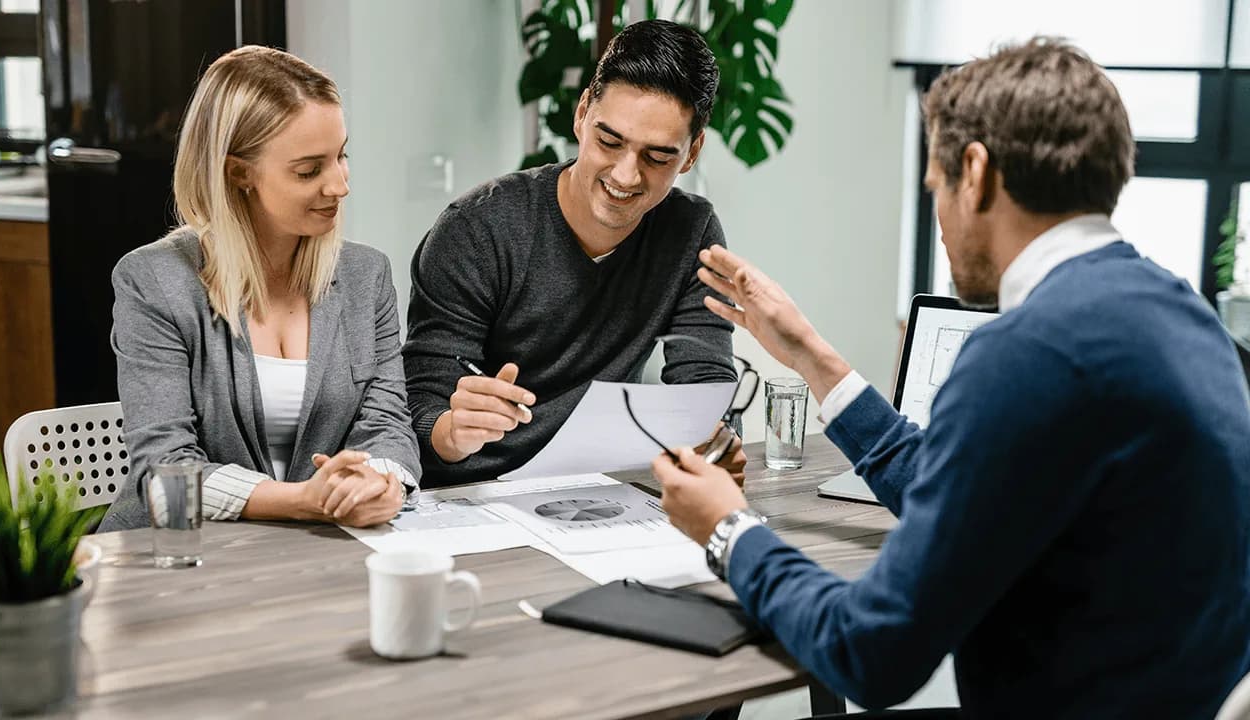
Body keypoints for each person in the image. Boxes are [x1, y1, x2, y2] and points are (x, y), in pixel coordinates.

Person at [653, 38, 1250, 717]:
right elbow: (966, 490)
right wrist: (812, 356)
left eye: (935, 187)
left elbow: (870, 653)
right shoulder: (1185, 316)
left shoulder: (1028, 351)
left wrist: (729, 530)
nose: (938, 221)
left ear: (976, 172)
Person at [403, 19, 746, 487]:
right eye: (610, 141)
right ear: (582, 113)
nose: (626, 175)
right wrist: (450, 431)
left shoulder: (690, 231)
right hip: (472, 494)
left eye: (657, 157)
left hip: (599, 490)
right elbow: (421, 397)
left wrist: (714, 443)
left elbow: (703, 384)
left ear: (691, 153)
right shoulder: (476, 230)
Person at [100, 46, 420, 532]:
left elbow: (388, 424)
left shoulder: (365, 275)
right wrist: (303, 500)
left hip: (315, 552)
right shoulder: (153, 282)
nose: (339, 186)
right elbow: (163, 472)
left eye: (342, 156)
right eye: (309, 170)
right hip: (179, 559)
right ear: (238, 173)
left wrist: (377, 483)